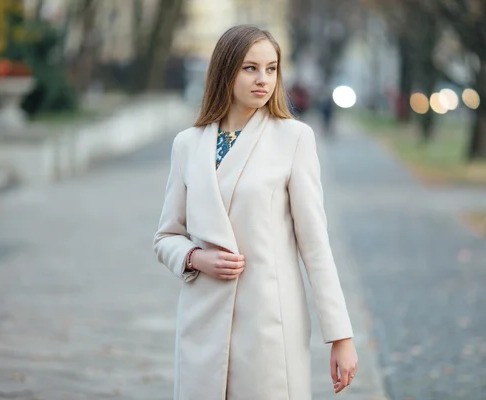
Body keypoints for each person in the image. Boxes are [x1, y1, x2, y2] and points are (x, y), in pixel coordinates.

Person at [153, 25, 357, 400]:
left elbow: (314, 244)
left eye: (271, 68)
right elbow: (166, 236)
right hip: (203, 319)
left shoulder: (294, 138)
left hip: (269, 322)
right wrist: (196, 257)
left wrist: (340, 335)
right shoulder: (188, 144)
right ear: (225, 71)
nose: (263, 79)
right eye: (250, 68)